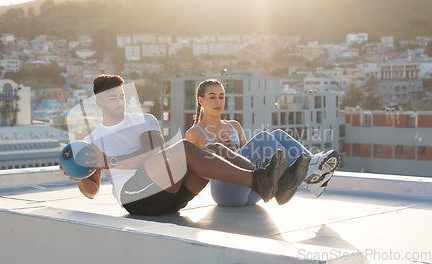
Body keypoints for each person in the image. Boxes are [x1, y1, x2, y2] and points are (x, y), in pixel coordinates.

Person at [61, 74, 298, 216]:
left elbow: (151, 153)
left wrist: (110, 160)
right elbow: (91, 192)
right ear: (99, 103)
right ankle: (262, 182)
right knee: (185, 148)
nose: (120, 101)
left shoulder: (144, 120)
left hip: (172, 197)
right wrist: (79, 175)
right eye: (113, 98)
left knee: (213, 150)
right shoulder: (91, 141)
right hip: (136, 199)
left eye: (122, 96)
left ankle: (272, 182)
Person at [185, 79, 340, 206]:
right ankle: (310, 173)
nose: (218, 101)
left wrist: (235, 150)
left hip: (254, 192)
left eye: (221, 96)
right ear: (201, 100)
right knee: (264, 138)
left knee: (278, 134)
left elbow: (249, 160)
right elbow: (191, 172)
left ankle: (312, 170)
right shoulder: (194, 133)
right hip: (226, 192)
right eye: (212, 97)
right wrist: (217, 153)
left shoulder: (234, 126)